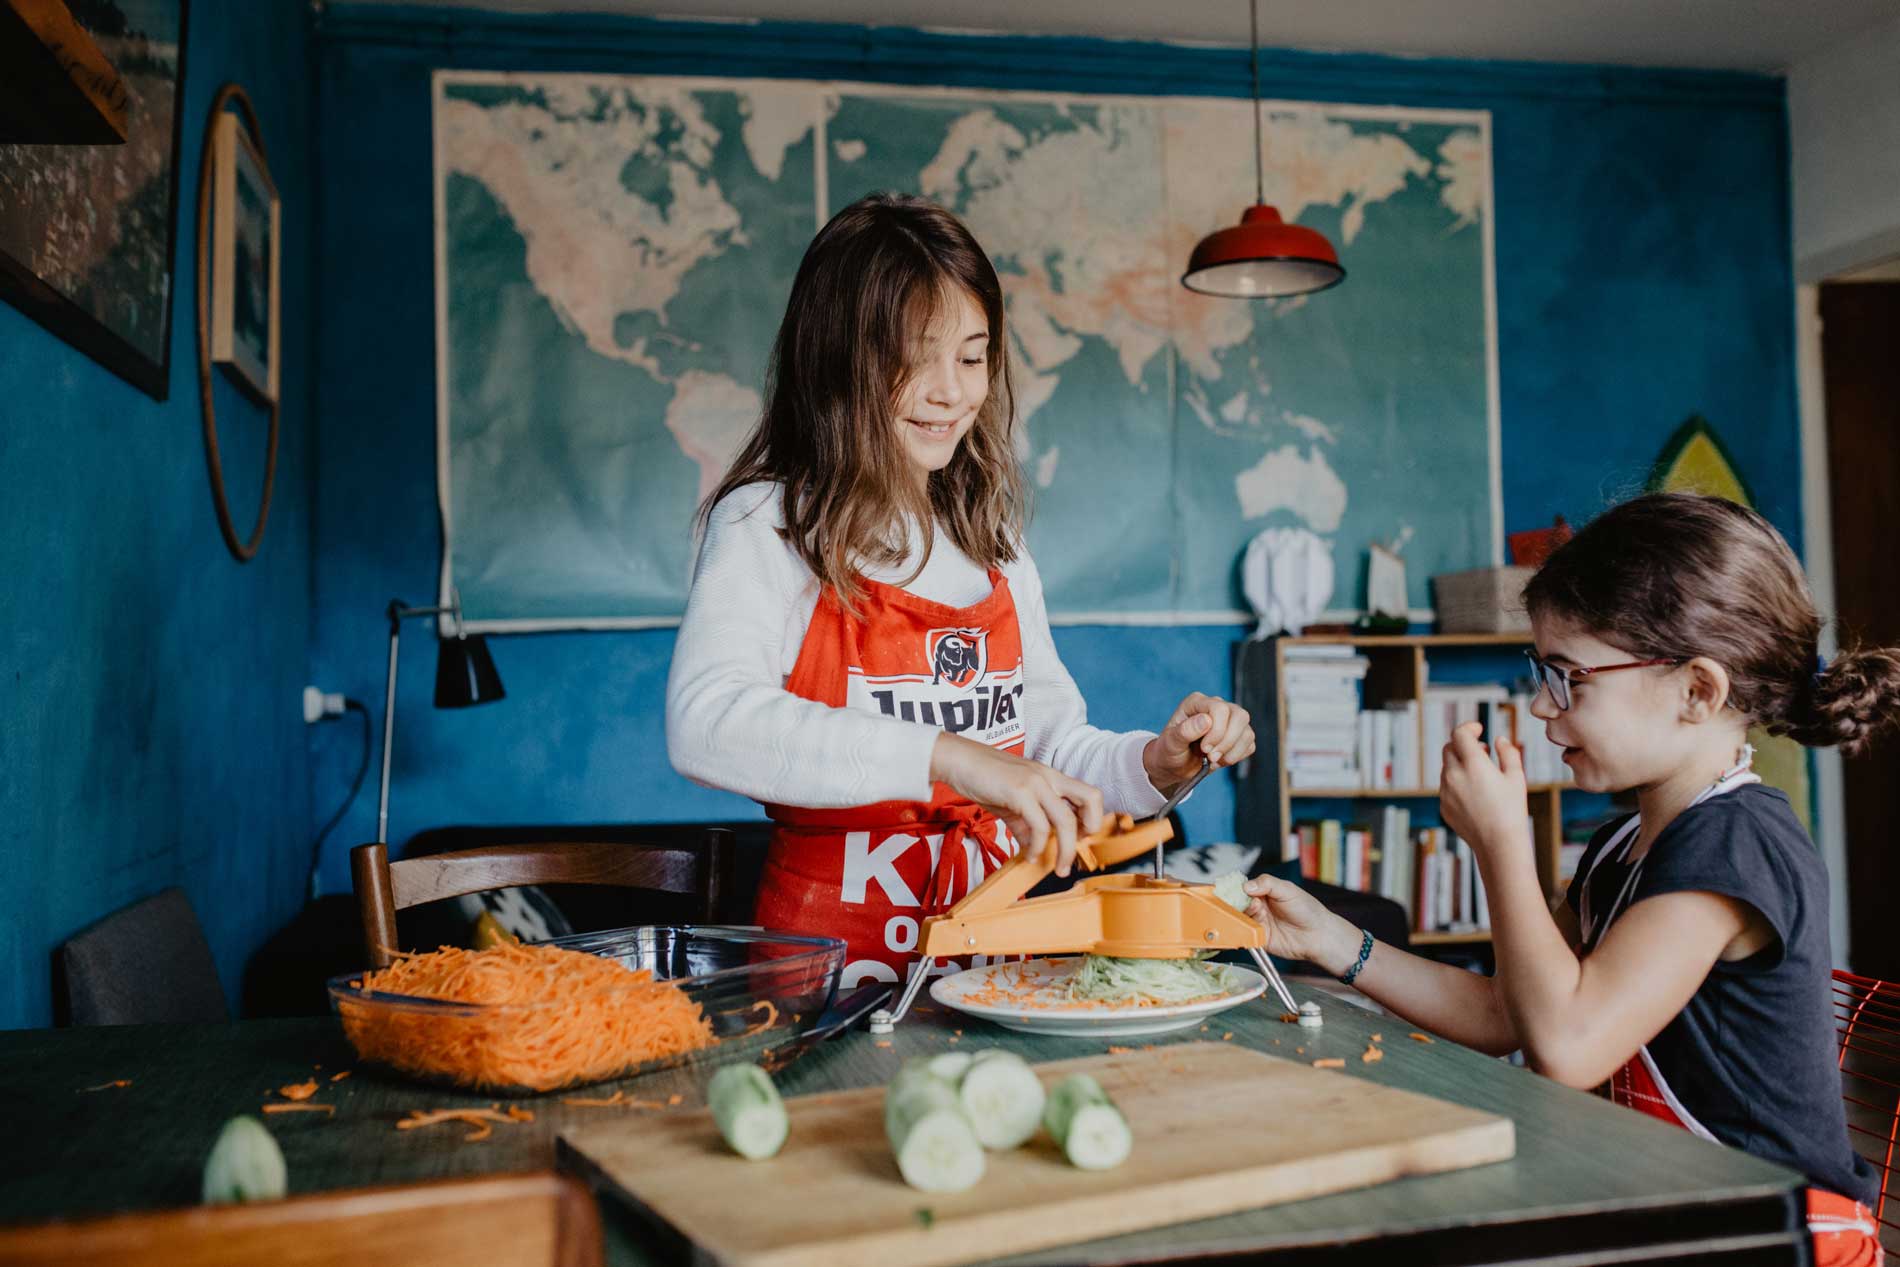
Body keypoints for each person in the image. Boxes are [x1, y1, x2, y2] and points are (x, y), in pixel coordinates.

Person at [1245, 492, 1888, 1265]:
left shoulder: (1737, 844)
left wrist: (1501, 843)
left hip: (1777, 1234)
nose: (1542, 708)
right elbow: (1507, 1011)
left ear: (1697, 691)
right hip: (1678, 1211)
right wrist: (1330, 938)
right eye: (1541, 673)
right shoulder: (1621, 845)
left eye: (1570, 678)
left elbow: (1569, 1042)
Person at [667, 192, 1254, 990]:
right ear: (838, 358)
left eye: (973, 357)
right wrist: (951, 758)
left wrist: (1157, 762)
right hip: (827, 984)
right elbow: (705, 725)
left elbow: (1050, 749)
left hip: (989, 980)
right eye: (918, 357)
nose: (951, 391)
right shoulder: (769, 521)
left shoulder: (993, 543)